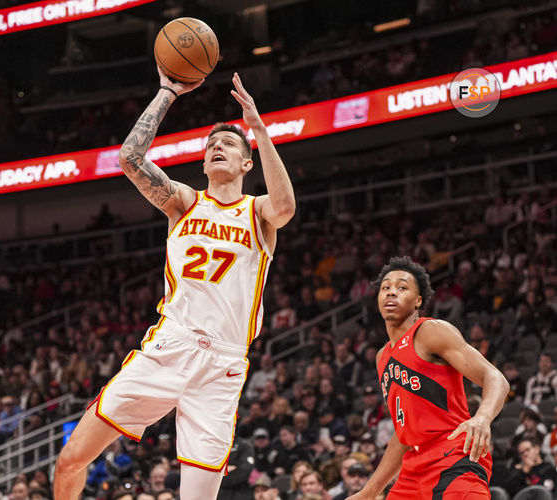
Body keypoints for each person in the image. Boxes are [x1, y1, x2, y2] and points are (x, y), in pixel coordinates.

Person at [53, 68, 295, 500]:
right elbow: (129, 159)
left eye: (229, 144)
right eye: (211, 145)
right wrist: (167, 92)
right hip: (171, 346)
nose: (217, 146)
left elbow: (285, 205)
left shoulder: (257, 213)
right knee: (71, 459)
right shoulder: (184, 202)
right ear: (203, 163)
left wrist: (258, 127)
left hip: (223, 364)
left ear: (246, 162)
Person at [348, 256, 509, 500]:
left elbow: (495, 377)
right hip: (413, 469)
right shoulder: (382, 357)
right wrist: (368, 492)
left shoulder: (431, 331)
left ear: (418, 300)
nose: (392, 292)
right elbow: (404, 435)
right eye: (386, 287)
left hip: (454, 456)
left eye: (402, 287)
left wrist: (483, 418)